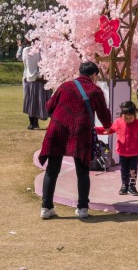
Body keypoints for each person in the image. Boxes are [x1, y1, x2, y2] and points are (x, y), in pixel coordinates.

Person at [39, 61, 112, 219]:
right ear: (93, 75)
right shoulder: (95, 90)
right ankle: (83, 208)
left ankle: (46, 208)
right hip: (81, 133)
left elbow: (49, 107)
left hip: (57, 130)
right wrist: (108, 125)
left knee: (52, 170)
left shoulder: (65, 86)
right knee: (83, 171)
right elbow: (105, 117)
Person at [95, 101, 138, 196]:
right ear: (121, 115)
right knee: (123, 169)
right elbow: (108, 130)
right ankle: (124, 185)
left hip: (134, 153)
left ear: (135, 115)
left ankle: (132, 186)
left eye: (130, 118)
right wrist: (95, 130)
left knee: (133, 170)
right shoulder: (118, 122)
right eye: (125, 117)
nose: (127, 120)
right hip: (122, 152)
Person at [16, 39, 51, 130]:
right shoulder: (42, 50)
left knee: (31, 100)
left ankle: (33, 123)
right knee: (42, 100)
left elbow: (19, 58)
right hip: (41, 79)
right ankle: (39, 121)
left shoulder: (25, 50)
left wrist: (20, 47)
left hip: (29, 78)